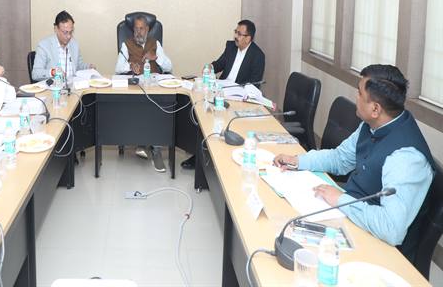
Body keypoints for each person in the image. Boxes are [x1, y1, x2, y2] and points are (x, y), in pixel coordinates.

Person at [274, 64, 434, 260]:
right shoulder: (372, 124)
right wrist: (298, 161)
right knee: (283, 221)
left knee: (299, 252)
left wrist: (341, 200)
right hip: (351, 217)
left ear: (375, 109)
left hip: (379, 248)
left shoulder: (407, 158)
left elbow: (391, 229)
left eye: (359, 93)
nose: (355, 97)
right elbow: (340, 159)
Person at [181, 19, 265, 169]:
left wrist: (239, 92)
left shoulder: (258, 56)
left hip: (238, 98)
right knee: (200, 113)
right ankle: (198, 155)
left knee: (217, 122)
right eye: (235, 32)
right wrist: (210, 66)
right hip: (221, 91)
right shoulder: (231, 47)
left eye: (239, 34)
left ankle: (214, 159)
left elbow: (254, 84)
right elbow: (219, 63)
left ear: (248, 38)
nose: (236, 36)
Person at [114, 15, 173, 172]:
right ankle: (142, 142)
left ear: (147, 29)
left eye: (141, 29)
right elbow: (117, 68)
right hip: (135, 88)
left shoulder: (155, 44)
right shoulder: (126, 44)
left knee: (159, 105)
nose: (138, 32)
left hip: (154, 86)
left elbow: (169, 67)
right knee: (142, 105)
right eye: (136, 29)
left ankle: (155, 149)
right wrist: (129, 66)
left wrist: (156, 57)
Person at [31, 10, 93, 82]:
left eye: (71, 32)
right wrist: (53, 72)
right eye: (65, 32)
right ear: (56, 29)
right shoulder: (44, 46)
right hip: (54, 87)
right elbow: (36, 74)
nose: (69, 36)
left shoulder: (74, 44)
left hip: (73, 86)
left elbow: (78, 66)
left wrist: (89, 67)